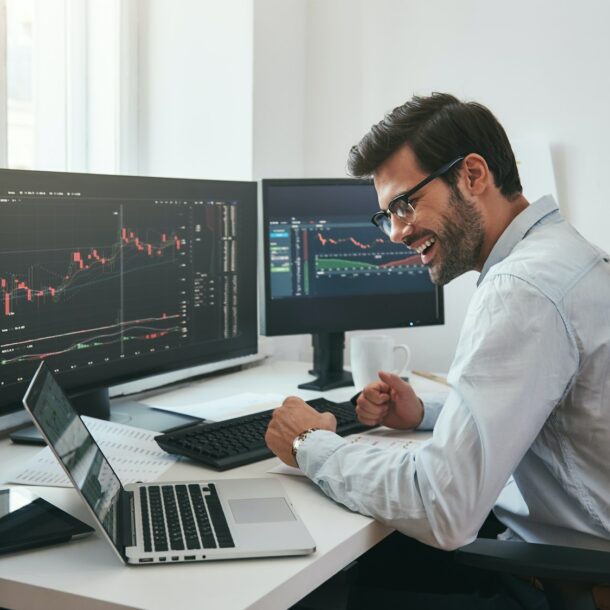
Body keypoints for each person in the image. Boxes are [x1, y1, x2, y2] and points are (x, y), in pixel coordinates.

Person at [264, 93, 610, 608]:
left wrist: (310, 445)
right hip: (575, 556)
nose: (398, 232)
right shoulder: (566, 256)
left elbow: (442, 506)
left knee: (314, 591)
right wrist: (427, 413)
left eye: (406, 204)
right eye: (388, 216)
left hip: (570, 581)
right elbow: (552, 405)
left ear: (473, 175)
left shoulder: (521, 288)